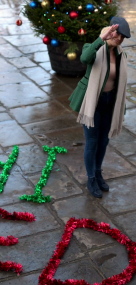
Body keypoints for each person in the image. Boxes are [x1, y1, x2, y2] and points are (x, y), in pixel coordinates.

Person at [69, 17, 131, 198]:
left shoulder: (121, 56)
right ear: (108, 31)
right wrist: (101, 39)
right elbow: (84, 58)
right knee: (92, 142)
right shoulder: (94, 48)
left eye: (121, 37)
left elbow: (121, 84)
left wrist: (121, 107)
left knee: (104, 141)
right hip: (92, 102)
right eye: (115, 34)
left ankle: (98, 172)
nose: (118, 38)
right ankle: (91, 178)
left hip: (110, 102)